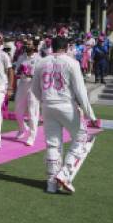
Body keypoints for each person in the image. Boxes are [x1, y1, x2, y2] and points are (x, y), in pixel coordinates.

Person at [32, 36, 96, 194]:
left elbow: (34, 89)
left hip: (47, 105)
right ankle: (64, 173)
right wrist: (90, 114)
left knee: (53, 143)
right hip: (66, 105)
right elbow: (81, 91)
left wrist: (45, 101)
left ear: (51, 47)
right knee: (82, 137)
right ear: (67, 47)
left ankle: (51, 183)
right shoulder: (72, 62)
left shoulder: (41, 62)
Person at [14, 39, 41, 146]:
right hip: (22, 85)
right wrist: (20, 71)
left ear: (34, 46)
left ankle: (31, 136)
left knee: (32, 112)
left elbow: (40, 76)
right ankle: (22, 129)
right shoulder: (21, 57)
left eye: (29, 44)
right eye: (26, 44)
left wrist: (29, 74)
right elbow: (16, 71)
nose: (27, 45)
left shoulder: (39, 59)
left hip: (33, 87)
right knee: (17, 111)